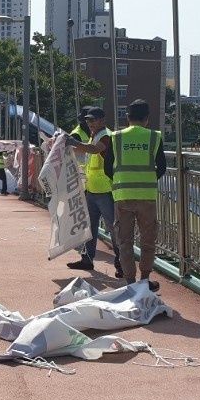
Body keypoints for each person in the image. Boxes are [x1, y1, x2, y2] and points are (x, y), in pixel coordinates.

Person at [110, 99, 167, 291]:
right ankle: (144, 280)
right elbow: (162, 167)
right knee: (147, 240)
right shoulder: (154, 137)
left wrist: (121, 180)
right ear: (147, 119)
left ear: (127, 118)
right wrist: (148, 179)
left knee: (125, 241)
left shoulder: (116, 137)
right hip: (147, 196)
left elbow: (107, 166)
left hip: (122, 195)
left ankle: (129, 283)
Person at [66, 106, 122, 278]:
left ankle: (121, 264)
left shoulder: (106, 135)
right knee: (89, 227)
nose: (90, 123)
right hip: (92, 189)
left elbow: (94, 149)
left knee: (114, 228)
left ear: (102, 120)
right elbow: (86, 152)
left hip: (105, 190)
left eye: (93, 120)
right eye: (88, 120)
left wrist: (74, 143)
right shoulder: (94, 135)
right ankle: (87, 259)